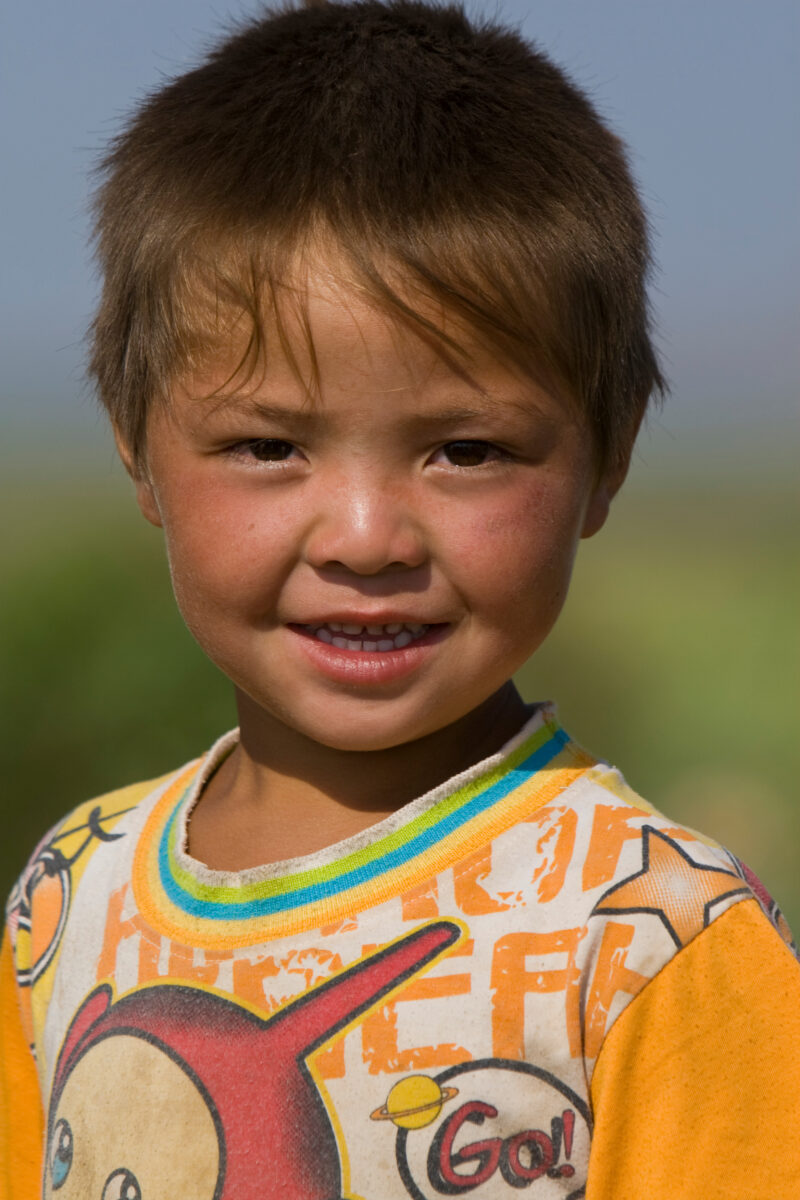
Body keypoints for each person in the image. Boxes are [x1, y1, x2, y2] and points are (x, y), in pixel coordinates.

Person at [2, 2, 798, 1196]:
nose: (367, 538)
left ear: (608, 454)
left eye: (466, 452)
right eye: (268, 446)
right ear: (135, 444)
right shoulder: (71, 895)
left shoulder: (647, 938)